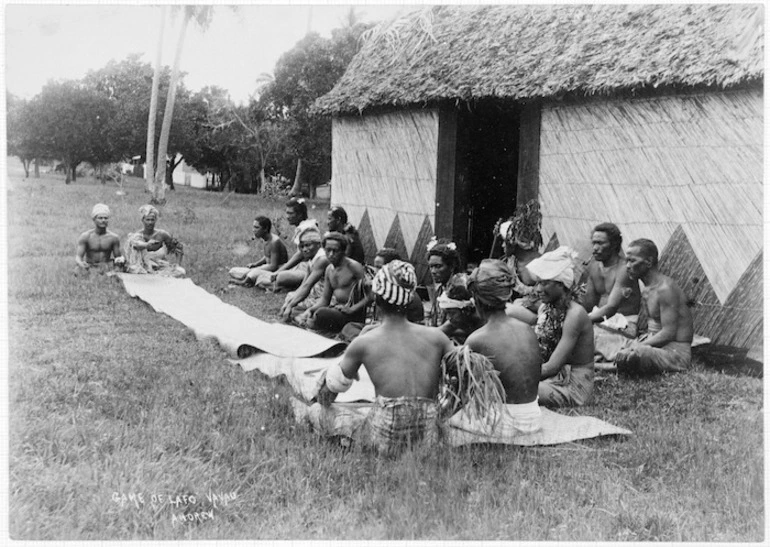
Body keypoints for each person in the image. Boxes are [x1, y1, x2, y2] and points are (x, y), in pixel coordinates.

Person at [315, 260, 454, 455]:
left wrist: (323, 391)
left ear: (377, 298)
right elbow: (465, 377)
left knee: (319, 412)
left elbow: (328, 394)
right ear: (409, 299)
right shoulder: (437, 337)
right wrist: (440, 414)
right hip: (426, 437)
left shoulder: (365, 341)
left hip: (382, 439)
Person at [465, 260, 542, 432]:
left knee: (453, 417)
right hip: (533, 418)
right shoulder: (527, 329)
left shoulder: (477, 339)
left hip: (504, 423)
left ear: (477, 299)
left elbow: (469, 390)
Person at [526, 246, 595, 408]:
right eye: (538, 283)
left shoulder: (575, 315)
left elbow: (552, 367)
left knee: (515, 390)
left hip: (573, 385)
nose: (538, 289)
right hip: (552, 377)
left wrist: (516, 376)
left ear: (561, 285)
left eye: (545, 283)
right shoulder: (545, 308)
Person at [614, 239, 694, 375]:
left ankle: (605, 365)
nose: (627, 266)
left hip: (675, 352)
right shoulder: (646, 290)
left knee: (637, 353)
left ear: (649, 262)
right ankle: (612, 362)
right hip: (652, 342)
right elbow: (651, 330)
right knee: (606, 339)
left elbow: (669, 333)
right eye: (626, 261)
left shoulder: (665, 289)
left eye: (632, 261)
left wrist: (637, 346)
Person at [581, 223, 642, 362]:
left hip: (624, 324)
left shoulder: (624, 269)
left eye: (600, 243)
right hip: (599, 321)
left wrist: (580, 321)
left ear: (614, 245)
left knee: (584, 338)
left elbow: (611, 308)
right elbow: (588, 304)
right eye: (594, 243)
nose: (595, 248)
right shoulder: (594, 267)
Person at [338, 248, 424, 342]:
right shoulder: (385, 288)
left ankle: (363, 343)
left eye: (379, 267)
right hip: (385, 328)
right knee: (350, 327)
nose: (375, 270)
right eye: (375, 267)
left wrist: (374, 328)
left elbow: (401, 325)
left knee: (357, 331)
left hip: (400, 334)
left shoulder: (401, 294)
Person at [296, 232, 367, 333]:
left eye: (335, 251)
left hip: (354, 313)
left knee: (321, 313)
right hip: (338, 309)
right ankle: (313, 322)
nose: (331, 254)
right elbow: (325, 299)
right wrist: (310, 310)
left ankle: (314, 324)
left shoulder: (354, 267)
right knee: (302, 311)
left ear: (343, 251)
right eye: (328, 250)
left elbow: (371, 295)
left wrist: (352, 309)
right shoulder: (329, 269)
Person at [499, 200, 544, 324]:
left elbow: (548, 302)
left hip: (539, 315)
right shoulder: (512, 262)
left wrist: (525, 303)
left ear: (514, 244)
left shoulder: (537, 264)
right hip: (521, 310)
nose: (503, 246)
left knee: (507, 311)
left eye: (505, 242)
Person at [268, 197, 319, 291]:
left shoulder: (307, 228)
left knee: (280, 277)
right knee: (271, 272)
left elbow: (301, 255)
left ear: (300, 215)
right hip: (300, 267)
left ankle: (287, 285)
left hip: (308, 269)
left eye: (290, 213)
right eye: (286, 212)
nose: (287, 216)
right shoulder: (302, 226)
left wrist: (280, 270)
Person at [279, 227, 329, 321]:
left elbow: (308, 285)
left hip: (326, 297)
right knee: (291, 296)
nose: (305, 249)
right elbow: (304, 284)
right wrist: (290, 302)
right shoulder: (312, 258)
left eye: (308, 245)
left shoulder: (322, 259)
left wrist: (290, 305)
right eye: (302, 247)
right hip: (315, 293)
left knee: (295, 308)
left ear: (319, 244)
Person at [125, 205, 185, 277]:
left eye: (152, 220)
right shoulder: (137, 235)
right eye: (147, 220)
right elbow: (136, 244)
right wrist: (146, 245)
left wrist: (178, 265)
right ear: (143, 220)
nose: (150, 222)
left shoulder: (162, 234)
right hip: (142, 269)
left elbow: (178, 249)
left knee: (180, 272)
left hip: (161, 267)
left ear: (155, 220)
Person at [228, 216, 289, 288]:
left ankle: (243, 282)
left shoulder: (274, 242)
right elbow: (268, 256)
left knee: (255, 273)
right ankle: (250, 278)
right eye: (253, 227)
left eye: (257, 227)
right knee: (233, 271)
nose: (253, 230)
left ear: (265, 229)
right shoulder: (265, 238)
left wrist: (256, 270)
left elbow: (273, 266)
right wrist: (256, 264)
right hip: (266, 268)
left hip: (276, 271)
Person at [75, 203, 124, 272]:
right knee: (77, 270)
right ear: (94, 219)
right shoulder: (86, 236)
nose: (103, 220)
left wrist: (118, 265)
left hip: (106, 266)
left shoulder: (114, 238)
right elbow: (78, 257)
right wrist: (80, 263)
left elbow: (118, 258)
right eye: (100, 218)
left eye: (105, 218)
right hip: (90, 266)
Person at [436, 273, 482, 344]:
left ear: (467, 311)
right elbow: (437, 332)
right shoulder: (457, 319)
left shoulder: (484, 323)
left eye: (451, 313)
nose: (448, 317)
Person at [425, 237, 462, 328]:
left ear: (452, 266)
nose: (433, 271)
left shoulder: (459, 288)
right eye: (431, 267)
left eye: (438, 266)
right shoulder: (440, 289)